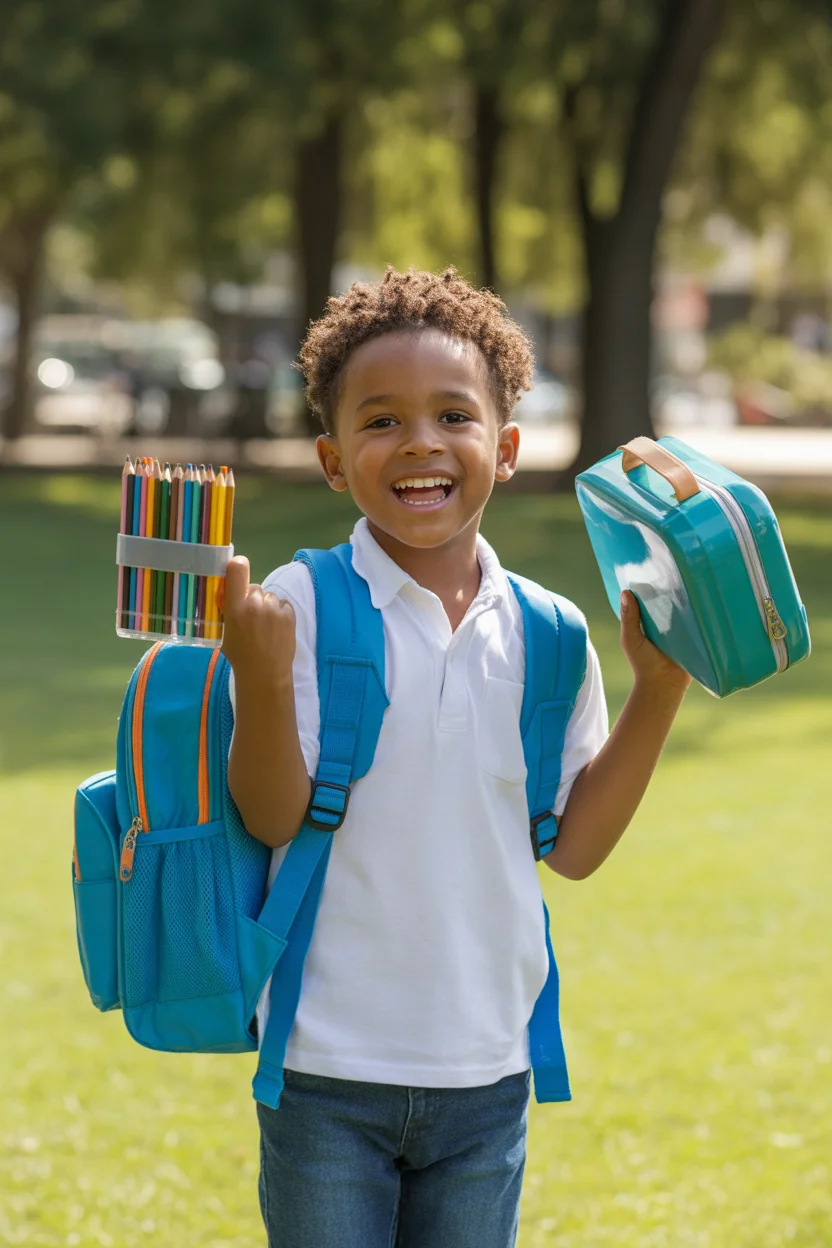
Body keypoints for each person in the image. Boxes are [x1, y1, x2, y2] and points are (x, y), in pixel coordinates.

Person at [221, 267, 691, 1248]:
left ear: (506, 447)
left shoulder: (552, 634)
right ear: (333, 459)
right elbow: (273, 817)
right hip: (324, 1072)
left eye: (452, 416)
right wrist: (260, 680)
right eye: (380, 421)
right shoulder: (297, 608)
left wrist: (657, 691)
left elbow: (571, 847)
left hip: (487, 1072)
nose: (421, 442)